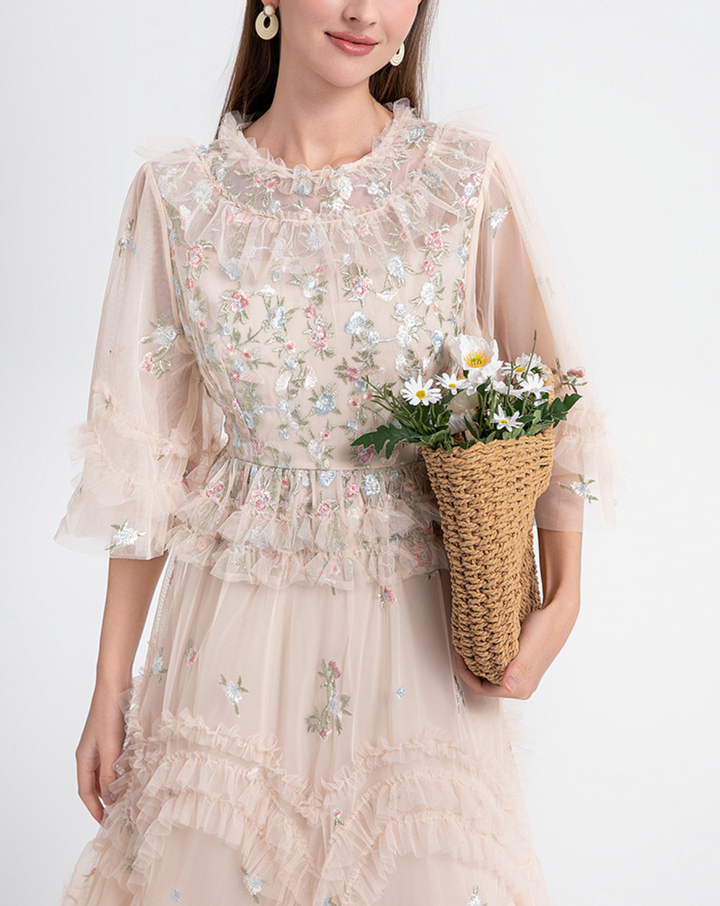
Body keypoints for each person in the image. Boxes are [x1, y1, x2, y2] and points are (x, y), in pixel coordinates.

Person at [55, 1, 616, 903]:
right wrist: (108, 684)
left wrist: (567, 594)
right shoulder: (179, 199)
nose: (364, 11)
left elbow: (552, 400)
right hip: (228, 636)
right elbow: (146, 463)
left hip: (418, 635)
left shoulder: (462, 181)